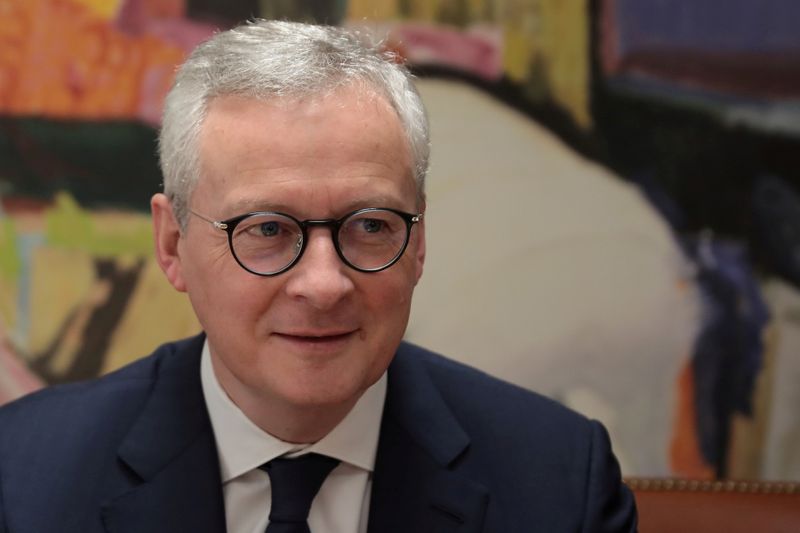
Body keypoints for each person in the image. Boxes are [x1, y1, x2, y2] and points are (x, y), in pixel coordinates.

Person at [0, 20, 636, 533]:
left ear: (418, 243)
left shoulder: (558, 483)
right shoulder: (25, 477)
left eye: (370, 226)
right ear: (173, 245)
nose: (324, 284)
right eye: (270, 230)